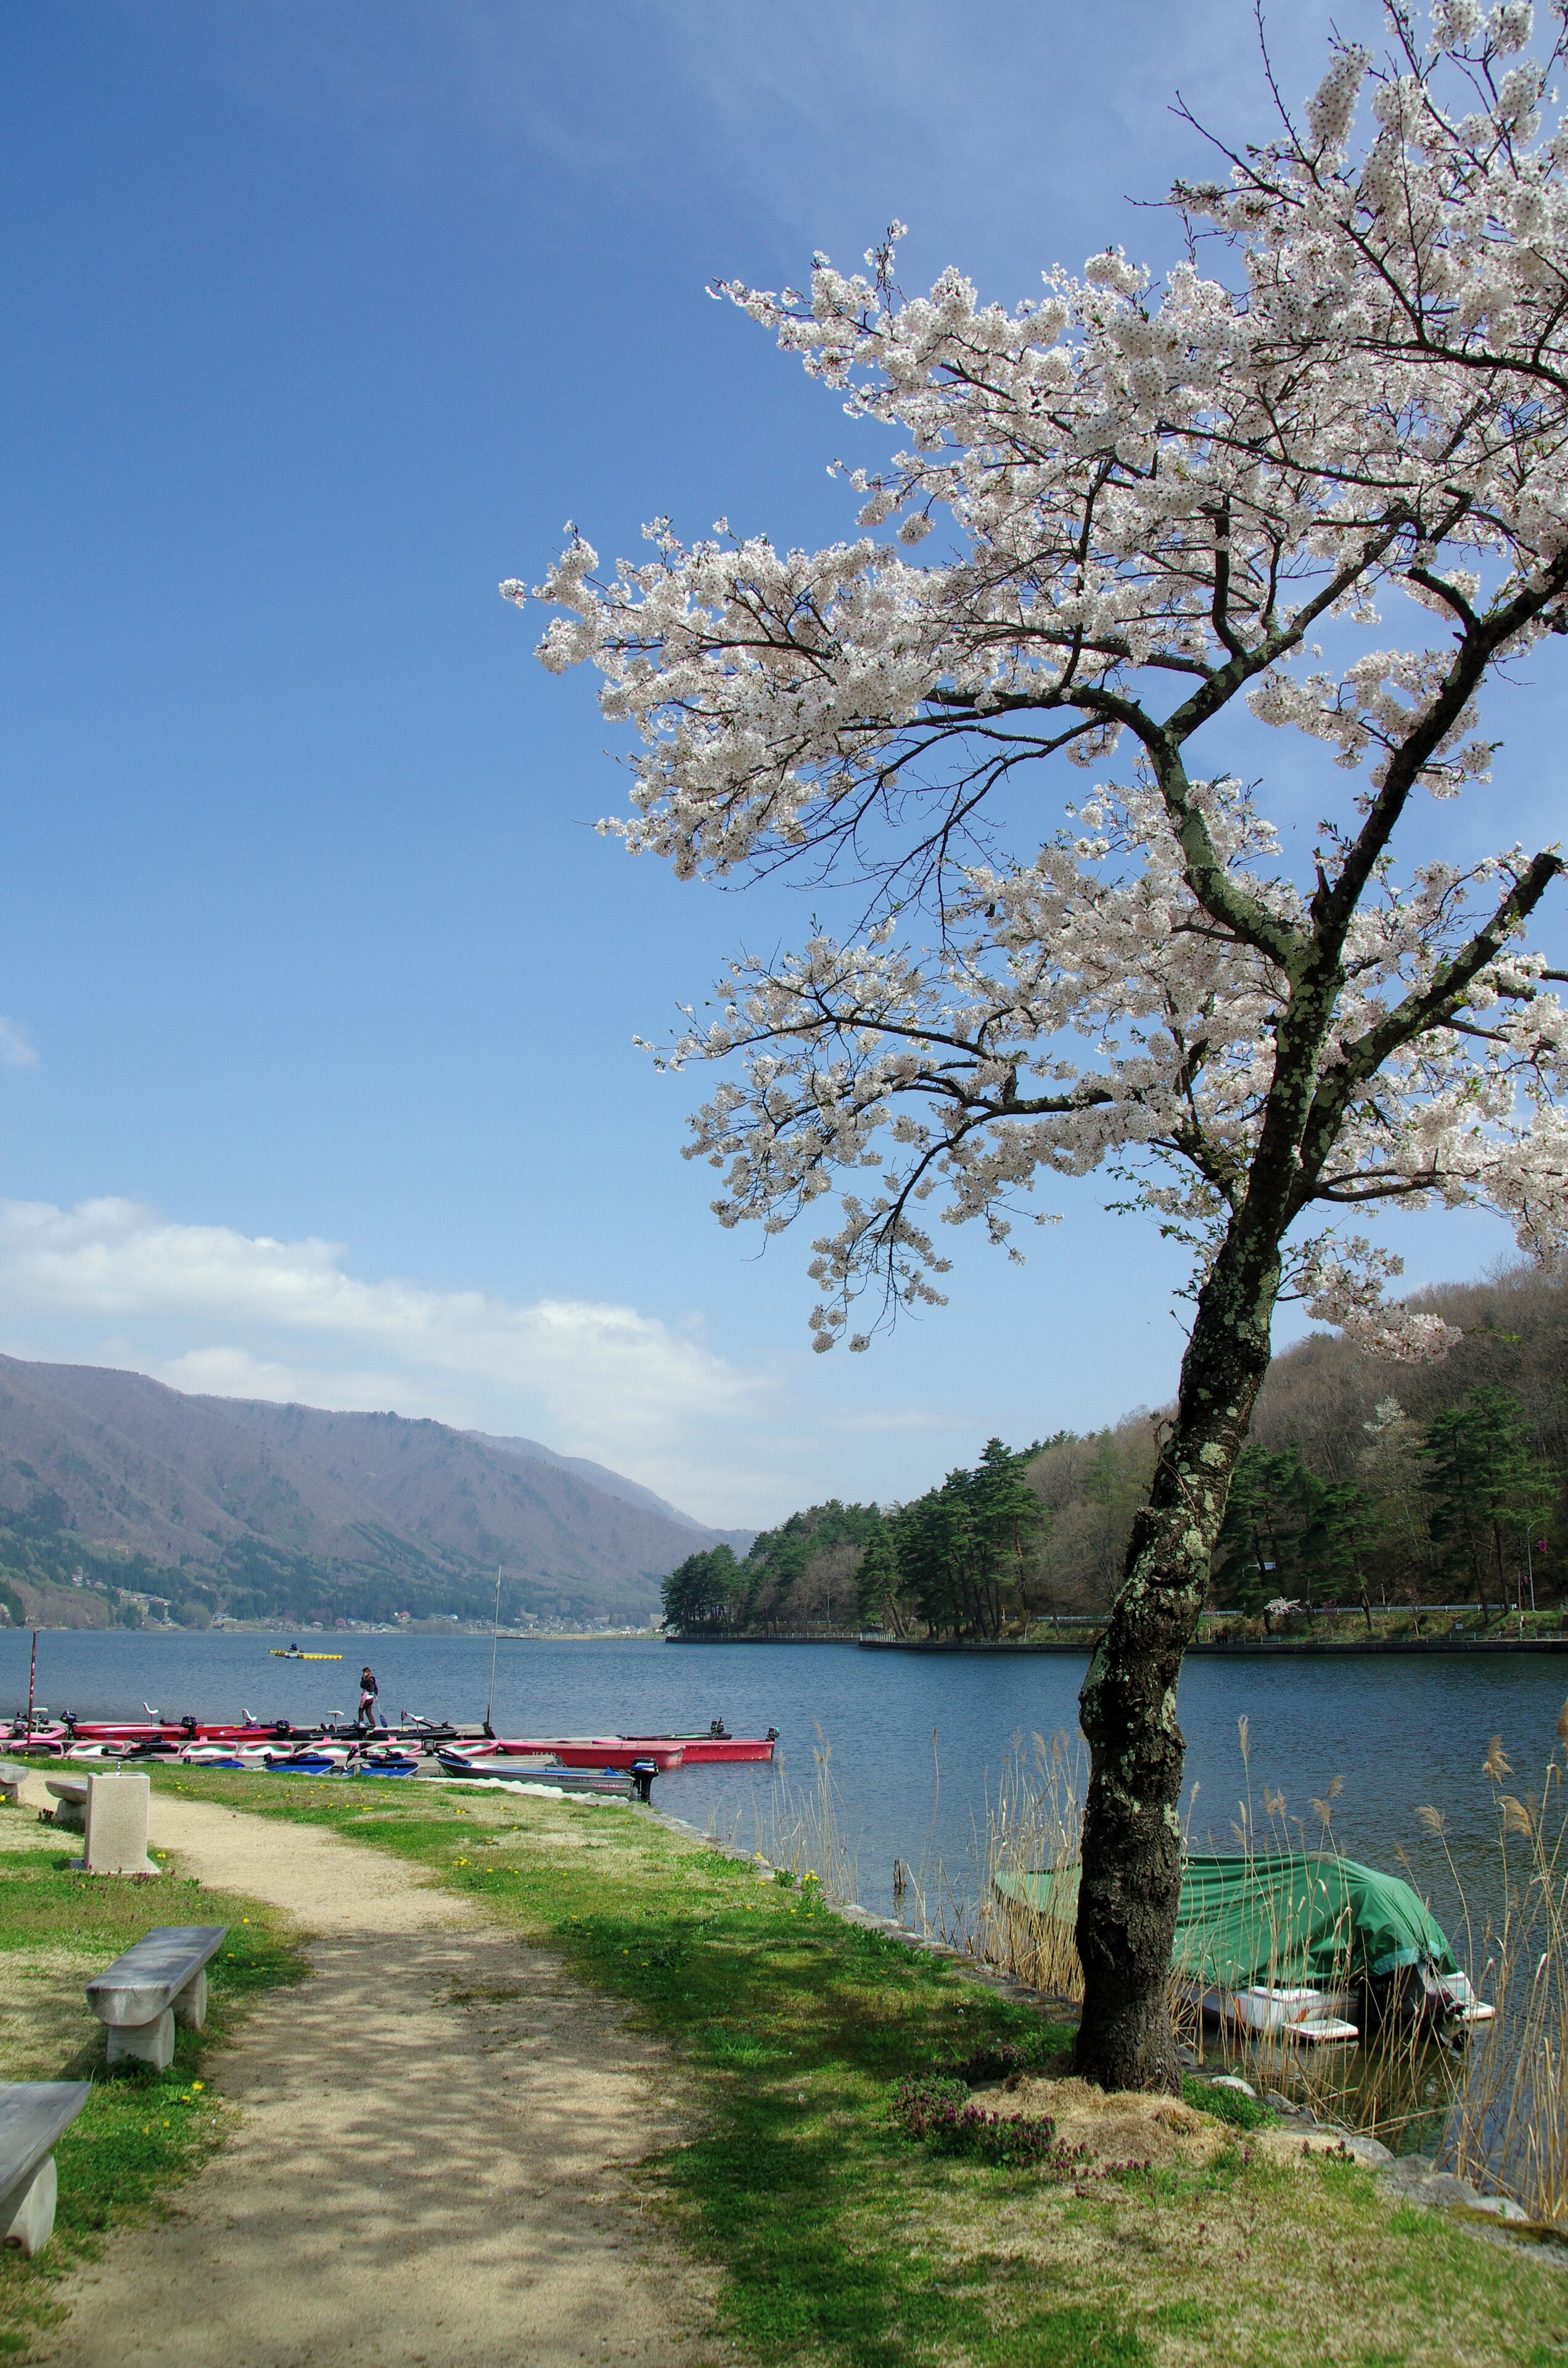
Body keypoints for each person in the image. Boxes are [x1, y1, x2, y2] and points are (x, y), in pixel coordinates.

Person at [357, 1666, 380, 1730]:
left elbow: (362, 1685)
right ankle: (373, 1724)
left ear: (368, 1673)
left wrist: (363, 1679)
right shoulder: (372, 1680)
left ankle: (361, 1724)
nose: (364, 1674)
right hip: (371, 1698)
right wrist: (376, 1695)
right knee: (368, 1712)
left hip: (366, 1697)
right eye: (363, 1673)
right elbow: (375, 1688)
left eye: (365, 1673)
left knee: (361, 1710)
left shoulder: (368, 1680)